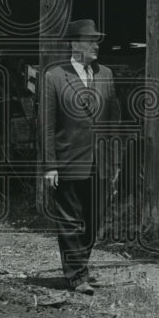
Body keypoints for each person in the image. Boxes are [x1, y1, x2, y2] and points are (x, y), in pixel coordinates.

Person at [41, 19, 121, 294]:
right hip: (67, 162)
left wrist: (116, 164)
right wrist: (49, 166)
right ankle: (75, 276)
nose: (95, 45)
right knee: (70, 219)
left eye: (96, 40)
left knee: (94, 218)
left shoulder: (106, 74)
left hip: (100, 163)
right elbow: (47, 126)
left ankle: (81, 268)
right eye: (89, 40)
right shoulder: (54, 76)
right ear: (74, 45)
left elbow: (113, 123)